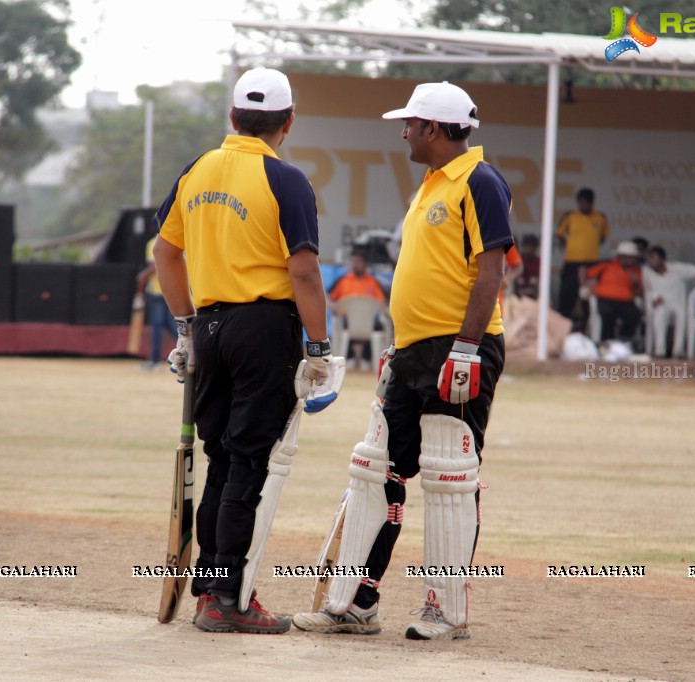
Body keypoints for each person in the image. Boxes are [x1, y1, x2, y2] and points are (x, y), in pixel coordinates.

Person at [293, 81, 512, 641]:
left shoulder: (480, 181)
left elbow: (490, 272)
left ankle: (446, 610)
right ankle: (357, 602)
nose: (404, 130)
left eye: (411, 123)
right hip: (415, 349)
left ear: (435, 129)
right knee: (376, 469)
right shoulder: (431, 184)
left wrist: (464, 350)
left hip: (460, 347)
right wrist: (403, 344)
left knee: (450, 479)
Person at [152, 66, 344, 635]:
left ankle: (213, 592)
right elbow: (304, 271)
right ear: (288, 123)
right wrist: (320, 348)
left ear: (232, 118)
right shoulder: (286, 180)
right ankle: (229, 598)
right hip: (264, 330)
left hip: (209, 329)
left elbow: (165, 253)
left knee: (221, 458)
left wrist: (185, 328)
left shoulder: (197, 169)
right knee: (249, 462)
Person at [328, 248, 390, 370]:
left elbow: (381, 303)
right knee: (346, 322)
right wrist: (333, 307)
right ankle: (348, 356)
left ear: (365, 264)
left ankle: (367, 357)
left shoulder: (373, 282)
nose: (355, 265)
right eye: (353, 262)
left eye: (358, 262)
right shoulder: (343, 280)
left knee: (376, 325)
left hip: (368, 321)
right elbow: (328, 297)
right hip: (346, 320)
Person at [556, 187, 609, 324]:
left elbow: (603, 237)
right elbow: (560, 234)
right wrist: (570, 246)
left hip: (592, 263)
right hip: (572, 261)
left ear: (592, 203)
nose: (583, 205)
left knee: (589, 297)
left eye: (586, 202)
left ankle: (587, 325)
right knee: (568, 294)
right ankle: (563, 324)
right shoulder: (570, 216)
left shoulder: (600, 217)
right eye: (581, 202)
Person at [582, 240, 644, 344]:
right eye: (631, 257)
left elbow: (641, 292)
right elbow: (584, 272)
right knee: (607, 314)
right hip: (605, 299)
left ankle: (625, 340)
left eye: (634, 258)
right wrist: (585, 286)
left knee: (635, 315)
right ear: (622, 257)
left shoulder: (636, 270)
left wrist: (636, 283)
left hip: (625, 302)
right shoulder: (607, 265)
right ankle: (606, 342)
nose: (633, 260)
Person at [136, 235, 179, 370]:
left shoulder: (153, 242)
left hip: (157, 290)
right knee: (170, 324)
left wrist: (143, 275)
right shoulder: (177, 239)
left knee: (157, 326)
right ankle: (191, 349)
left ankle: (155, 361)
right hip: (173, 288)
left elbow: (155, 265)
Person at [643, 245, 687, 358]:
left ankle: (678, 350)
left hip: (676, 303)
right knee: (660, 312)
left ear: (662, 259)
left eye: (653, 258)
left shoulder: (676, 269)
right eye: (648, 258)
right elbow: (647, 289)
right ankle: (659, 350)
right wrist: (654, 297)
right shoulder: (646, 272)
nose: (649, 261)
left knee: (681, 313)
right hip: (660, 303)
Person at [513, 233, 540, 299]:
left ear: (535, 247)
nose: (528, 249)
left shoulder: (539, 262)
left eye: (531, 246)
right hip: (517, 299)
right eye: (526, 246)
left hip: (534, 299)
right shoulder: (516, 261)